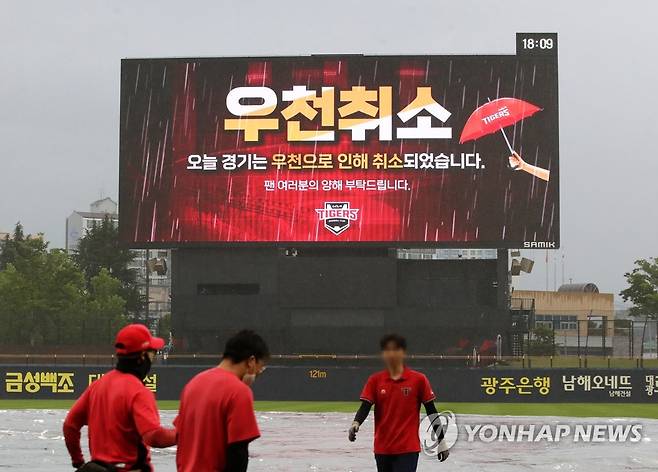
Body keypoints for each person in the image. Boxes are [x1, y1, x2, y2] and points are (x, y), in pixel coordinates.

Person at [63, 324, 176, 471]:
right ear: (142, 357)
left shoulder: (98, 386)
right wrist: (182, 433)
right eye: (152, 353)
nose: (153, 357)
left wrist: (78, 461)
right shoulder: (139, 391)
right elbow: (154, 436)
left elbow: (70, 425)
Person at [348, 334, 449, 472]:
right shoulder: (375, 380)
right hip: (382, 448)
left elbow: (431, 411)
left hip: (408, 448)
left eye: (395, 349)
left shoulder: (418, 380)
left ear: (403, 352)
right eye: (387, 350)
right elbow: (365, 406)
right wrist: (356, 423)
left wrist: (441, 440)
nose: (391, 354)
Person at [175, 330, 269, 472]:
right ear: (251, 361)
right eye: (259, 370)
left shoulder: (193, 384)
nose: (256, 375)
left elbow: (180, 436)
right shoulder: (239, 391)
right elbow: (238, 453)